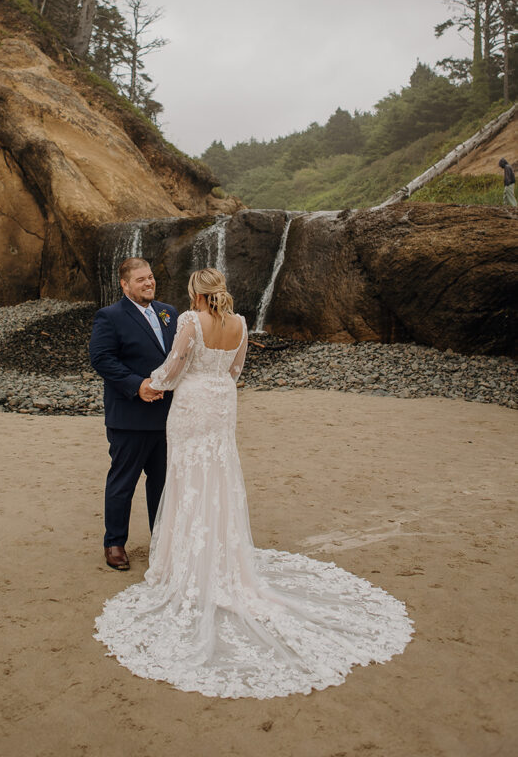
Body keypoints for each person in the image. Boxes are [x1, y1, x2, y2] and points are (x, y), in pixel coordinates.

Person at [95, 268, 414, 699]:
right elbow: (235, 370)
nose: (152, 284)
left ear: (196, 292)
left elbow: (173, 368)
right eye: (143, 278)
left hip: (190, 406)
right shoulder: (242, 323)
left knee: (187, 477)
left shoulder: (185, 319)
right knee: (217, 476)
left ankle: (182, 558)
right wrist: (166, 386)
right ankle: (195, 553)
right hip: (221, 403)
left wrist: (155, 385)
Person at [89, 257, 178, 571]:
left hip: (167, 416)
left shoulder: (170, 313)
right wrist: (137, 385)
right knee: (122, 482)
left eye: (151, 277)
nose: (149, 283)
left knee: (162, 482)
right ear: (125, 285)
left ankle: (161, 540)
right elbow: (101, 358)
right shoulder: (109, 316)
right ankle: (114, 543)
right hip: (129, 416)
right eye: (141, 279)